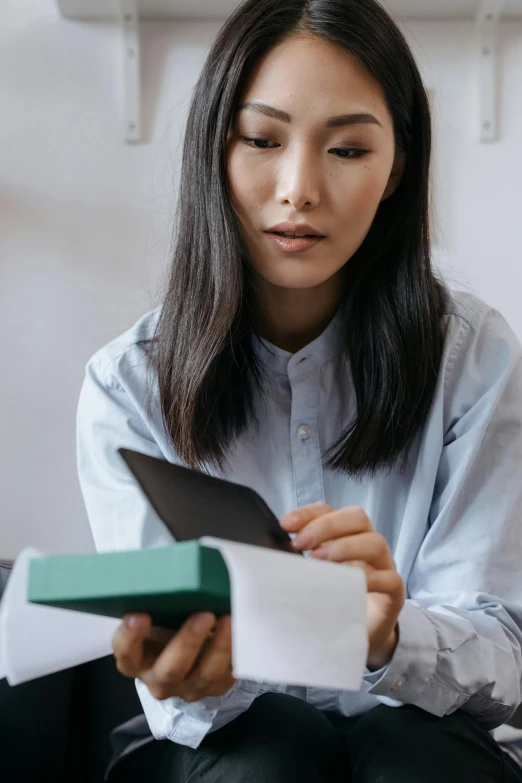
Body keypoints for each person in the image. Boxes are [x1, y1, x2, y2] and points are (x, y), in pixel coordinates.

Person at [75, 0, 522, 780]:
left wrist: (390, 635)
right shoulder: (128, 383)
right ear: (214, 151)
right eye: (261, 139)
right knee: (266, 759)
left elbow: (502, 656)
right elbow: (176, 694)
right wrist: (188, 672)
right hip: (229, 746)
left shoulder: (473, 358)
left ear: (397, 170)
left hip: (423, 739)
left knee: (408, 755)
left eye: (348, 148)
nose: (299, 189)